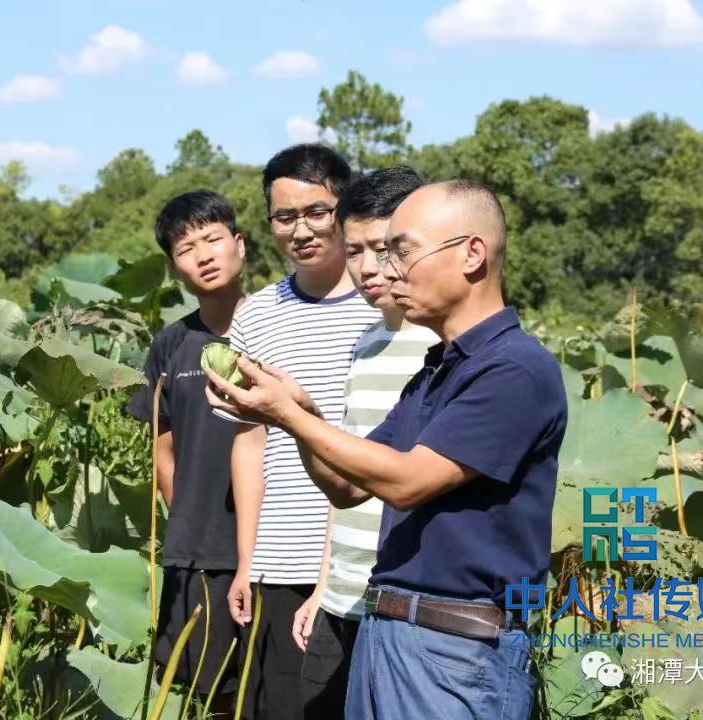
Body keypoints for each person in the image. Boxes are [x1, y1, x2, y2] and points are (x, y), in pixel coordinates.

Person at [206, 179, 567, 720]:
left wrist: (287, 416)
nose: (387, 269)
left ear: (473, 253)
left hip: (454, 650)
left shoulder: (512, 369)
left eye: (403, 251)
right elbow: (348, 487)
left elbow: (407, 482)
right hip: (390, 633)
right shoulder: (435, 371)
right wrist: (301, 416)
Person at [221, 144, 379, 719]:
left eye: (317, 211)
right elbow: (249, 438)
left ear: (345, 209)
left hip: (359, 562)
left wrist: (327, 578)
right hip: (275, 561)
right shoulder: (257, 314)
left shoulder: (383, 308)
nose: (301, 229)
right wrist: (247, 561)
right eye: (285, 217)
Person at [292, 167, 438, 720]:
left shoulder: (441, 345)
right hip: (340, 594)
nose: (368, 268)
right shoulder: (366, 342)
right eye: (354, 251)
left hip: (405, 604)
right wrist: (321, 586)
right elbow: (346, 473)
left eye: (383, 248)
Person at [126, 190, 247, 711]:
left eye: (213, 239)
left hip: (283, 546)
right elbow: (162, 445)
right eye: (185, 248)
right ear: (174, 269)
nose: (203, 254)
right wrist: (187, 514)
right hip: (198, 548)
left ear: (239, 245)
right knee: (208, 689)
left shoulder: (277, 328)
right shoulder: (171, 345)